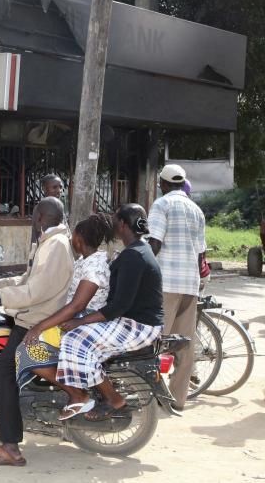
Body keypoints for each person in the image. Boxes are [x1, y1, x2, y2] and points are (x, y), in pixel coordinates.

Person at [0, 197, 74, 467]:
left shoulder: (55, 246)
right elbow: (29, 279)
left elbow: (34, 291)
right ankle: (0, 414)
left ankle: (10, 446)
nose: (31, 219)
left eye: (33, 215)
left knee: (4, 371)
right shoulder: (49, 241)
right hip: (32, 314)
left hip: (36, 321)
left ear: (40, 217)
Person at [53, 204, 164, 420]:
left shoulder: (134, 256)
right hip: (131, 320)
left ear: (122, 224)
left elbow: (117, 307)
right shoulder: (138, 250)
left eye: (115, 220)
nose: (113, 225)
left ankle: (112, 398)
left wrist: (80, 322)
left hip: (138, 326)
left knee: (75, 340)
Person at [14, 213, 113, 391]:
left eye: (73, 235)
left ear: (79, 239)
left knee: (27, 350)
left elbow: (77, 305)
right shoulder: (85, 260)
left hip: (83, 318)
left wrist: (39, 327)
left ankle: (77, 394)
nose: (70, 238)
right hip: (76, 315)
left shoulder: (95, 266)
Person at [147, 164, 207, 410]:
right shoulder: (197, 210)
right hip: (189, 284)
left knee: (154, 341)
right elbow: (200, 255)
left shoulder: (162, 205)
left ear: (162, 184)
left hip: (167, 282)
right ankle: (178, 399)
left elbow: (154, 244)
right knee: (185, 342)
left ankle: (148, 398)